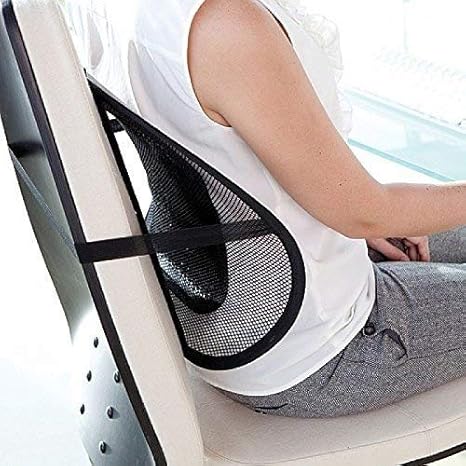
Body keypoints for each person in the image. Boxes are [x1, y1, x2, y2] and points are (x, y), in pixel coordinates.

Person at [64, 0, 466, 418]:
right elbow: (366, 211)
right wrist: (360, 211)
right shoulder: (227, 27)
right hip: (320, 344)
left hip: (239, 304)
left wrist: (345, 202)